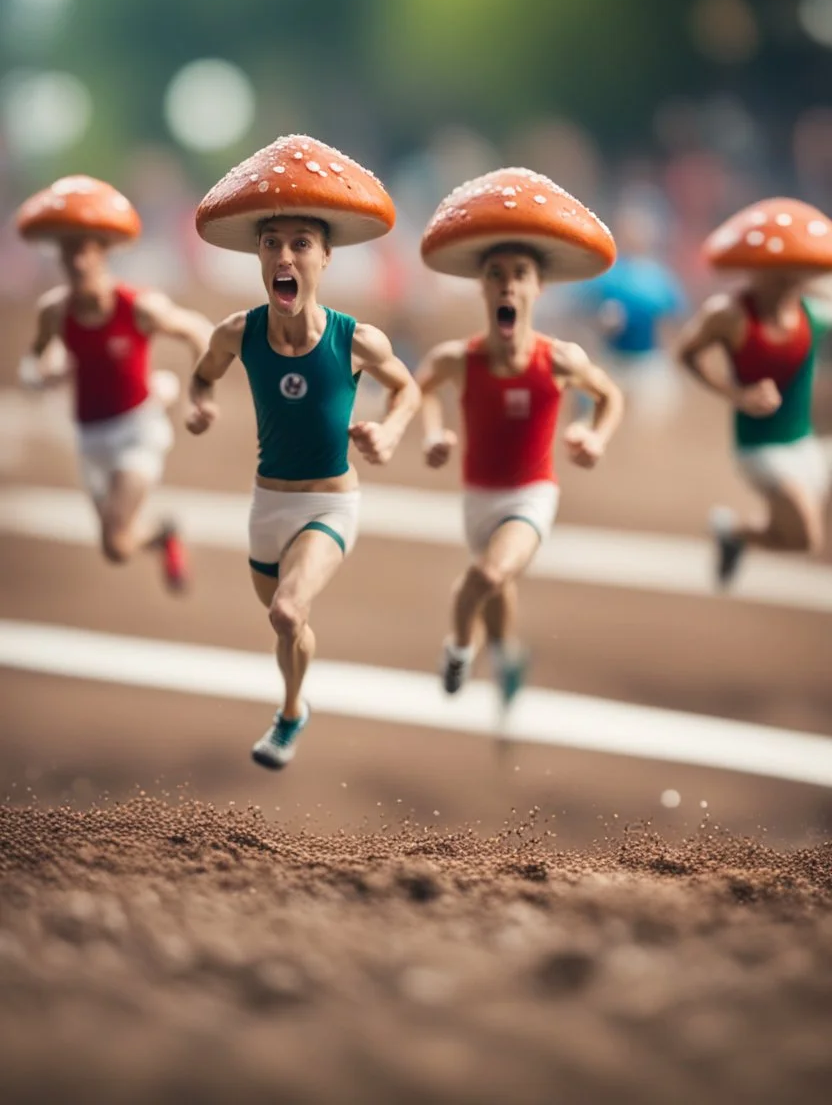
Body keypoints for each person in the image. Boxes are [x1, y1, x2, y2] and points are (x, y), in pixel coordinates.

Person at [187, 134, 420, 770]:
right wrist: (199, 401)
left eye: (300, 244)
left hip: (330, 502)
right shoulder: (238, 333)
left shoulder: (356, 339)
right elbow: (203, 372)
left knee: (289, 610)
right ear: (259, 258)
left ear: (324, 258)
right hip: (269, 505)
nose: (283, 255)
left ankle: (289, 714)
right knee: (286, 623)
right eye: (271, 243)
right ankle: (298, 701)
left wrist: (392, 430)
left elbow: (407, 389)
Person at [415, 168, 624, 704]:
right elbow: (423, 388)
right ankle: (508, 656)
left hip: (532, 493)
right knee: (497, 585)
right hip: (477, 496)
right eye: (496, 274)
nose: (508, 284)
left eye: (520, 274)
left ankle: (459, 650)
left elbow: (609, 396)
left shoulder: (558, 359)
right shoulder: (460, 358)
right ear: (482, 285)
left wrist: (595, 436)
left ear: (538, 286)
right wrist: (433, 433)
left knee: (485, 574)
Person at [16, 175, 212, 590]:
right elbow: (38, 358)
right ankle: (163, 533)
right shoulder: (55, 311)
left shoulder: (138, 306)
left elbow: (198, 331)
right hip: (90, 437)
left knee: (114, 537)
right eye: (69, 251)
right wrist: (46, 372)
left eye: (86, 249)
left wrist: (201, 392)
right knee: (117, 548)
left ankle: (159, 533)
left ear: (104, 252)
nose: (78, 261)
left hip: (137, 431)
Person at [675, 197, 832, 586]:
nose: (786, 279)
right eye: (777, 271)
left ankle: (736, 535)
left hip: (806, 443)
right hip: (760, 447)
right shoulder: (728, 314)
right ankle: (736, 533)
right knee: (806, 538)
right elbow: (687, 353)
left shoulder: (815, 314)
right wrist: (737, 394)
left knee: (797, 537)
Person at [562, 204, 688, 425]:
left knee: (651, 422)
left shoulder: (659, 276)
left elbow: (674, 319)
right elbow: (579, 310)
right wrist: (599, 323)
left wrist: (669, 353)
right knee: (599, 416)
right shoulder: (607, 272)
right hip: (612, 358)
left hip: (648, 362)